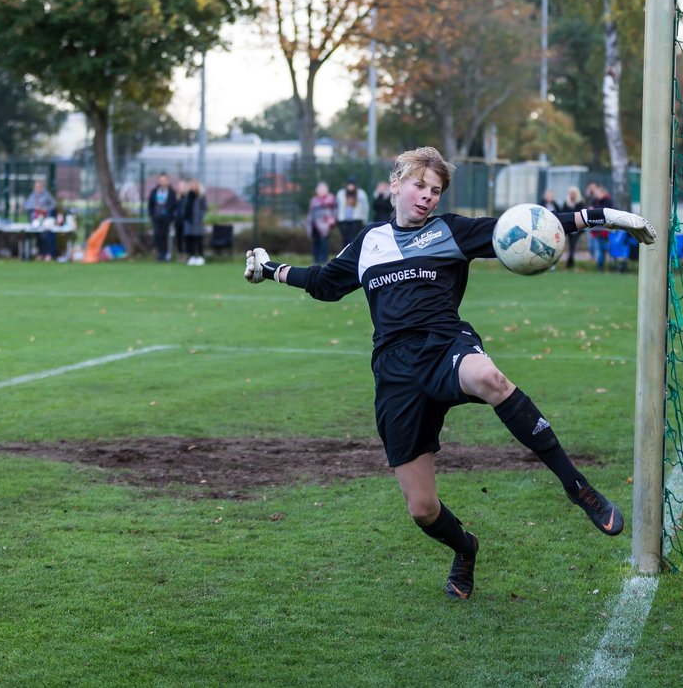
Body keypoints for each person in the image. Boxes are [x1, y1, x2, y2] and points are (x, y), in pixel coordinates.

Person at [242, 146, 657, 600]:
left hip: (445, 345)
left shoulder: (452, 231)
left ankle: (578, 488)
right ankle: (464, 548)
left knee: (491, 379)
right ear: (396, 183)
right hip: (395, 373)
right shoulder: (368, 243)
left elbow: (535, 223)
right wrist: (269, 270)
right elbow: (323, 283)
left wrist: (608, 217)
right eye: (420, 186)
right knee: (422, 508)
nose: (427, 197)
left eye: (435, 190)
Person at [146, 173, 177, 262]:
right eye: (161, 180)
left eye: (164, 180)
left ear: (167, 181)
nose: (162, 182)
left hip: (166, 219)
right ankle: (159, 254)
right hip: (156, 217)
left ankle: (165, 253)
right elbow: (150, 204)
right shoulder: (155, 191)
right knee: (157, 235)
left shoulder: (171, 192)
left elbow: (174, 206)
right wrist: (152, 214)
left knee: (165, 235)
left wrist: (171, 216)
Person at [24, 179, 57, 261]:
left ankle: (48, 254)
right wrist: (34, 208)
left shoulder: (46, 195)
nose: (37, 188)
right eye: (36, 186)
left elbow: (54, 204)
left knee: (46, 236)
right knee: (38, 236)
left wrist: (45, 209)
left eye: (39, 186)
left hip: (44, 219)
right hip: (35, 219)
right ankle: (40, 253)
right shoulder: (32, 195)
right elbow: (26, 205)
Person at [585, 182, 614, 270]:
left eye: (598, 193)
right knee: (596, 247)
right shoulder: (595, 201)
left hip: (605, 230)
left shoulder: (608, 201)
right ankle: (600, 265)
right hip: (595, 229)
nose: (597, 195)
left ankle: (601, 264)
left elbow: (607, 213)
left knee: (603, 248)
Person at [307, 181, 337, 265]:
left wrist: (332, 220)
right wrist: (308, 223)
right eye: (320, 189)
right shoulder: (314, 200)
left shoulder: (330, 199)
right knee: (315, 242)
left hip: (325, 225)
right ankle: (315, 260)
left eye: (323, 189)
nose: (321, 191)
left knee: (324, 243)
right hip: (314, 225)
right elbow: (310, 212)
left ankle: (323, 259)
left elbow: (334, 211)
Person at [336, 177, 370, 247]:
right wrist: (338, 218)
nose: (351, 186)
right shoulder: (341, 193)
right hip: (343, 220)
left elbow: (365, 207)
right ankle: (344, 255)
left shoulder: (361, 193)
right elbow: (337, 206)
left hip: (356, 220)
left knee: (353, 238)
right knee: (345, 239)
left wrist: (364, 219)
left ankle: (352, 255)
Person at [182, 179, 208, 266]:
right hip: (188, 221)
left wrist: (200, 216)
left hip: (197, 221)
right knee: (189, 239)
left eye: (195, 185)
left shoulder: (201, 196)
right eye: (192, 185)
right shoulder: (187, 196)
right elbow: (184, 207)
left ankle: (200, 256)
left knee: (198, 239)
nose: (193, 187)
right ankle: (192, 256)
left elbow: (204, 208)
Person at [560, 186, 584, 269]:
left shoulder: (580, 203)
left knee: (572, 245)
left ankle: (570, 262)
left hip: (576, 228)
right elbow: (562, 213)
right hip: (567, 227)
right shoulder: (566, 203)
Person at [173, 178, 189, 261]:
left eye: (183, 187)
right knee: (178, 239)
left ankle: (186, 254)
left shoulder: (188, 197)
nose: (181, 188)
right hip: (177, 221)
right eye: (180, 187)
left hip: (186, 222)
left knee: (186, 239)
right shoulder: (176, 197)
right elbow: (173, 208)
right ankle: (180, 254)